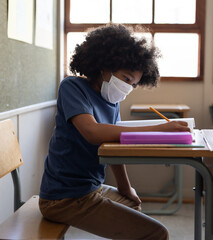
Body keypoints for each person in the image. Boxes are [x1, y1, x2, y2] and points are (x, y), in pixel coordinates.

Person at [39, 24, 190, 240]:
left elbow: (115, 146)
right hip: (63, 198)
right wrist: (161, 128)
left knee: (132, 202)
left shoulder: (111, 101)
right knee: (157, 233)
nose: (128, 87)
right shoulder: (72, 87)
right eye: (126, 79)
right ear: (105, 68)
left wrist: (125, 187)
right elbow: (92, 132)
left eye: (134, 84)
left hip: (91, 189)